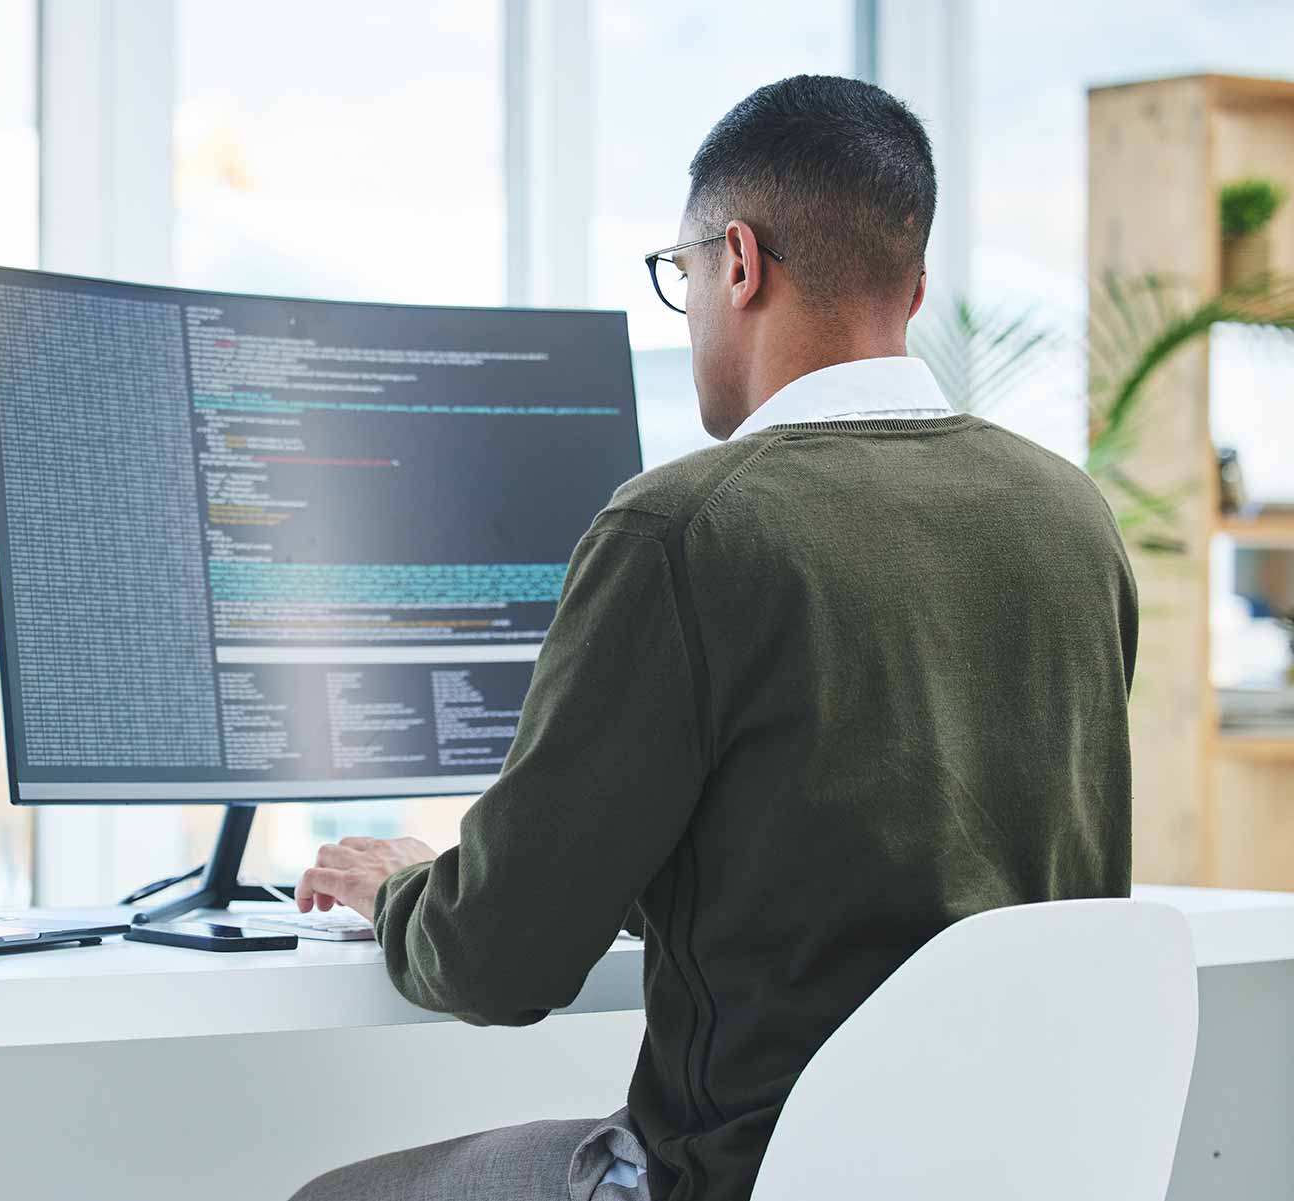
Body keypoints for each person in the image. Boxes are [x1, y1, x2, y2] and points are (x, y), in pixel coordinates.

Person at [289, 74, 1136, 1201]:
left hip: (750, 1176)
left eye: (679, 274)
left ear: (736, 261)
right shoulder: (1069, 511)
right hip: (1016, 1169)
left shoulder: (686, 527)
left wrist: (404, 887)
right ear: (916, 285)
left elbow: (502, 957)